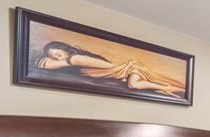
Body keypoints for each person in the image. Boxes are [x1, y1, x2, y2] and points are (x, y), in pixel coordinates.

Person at [37, 41, 186, 97]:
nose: (58, 58)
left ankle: (169, 88)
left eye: (57, 54)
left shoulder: (74, 59)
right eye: (54, 57)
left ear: (64, 49)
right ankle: (168, 88)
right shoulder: (76, 62)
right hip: (126, 71)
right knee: (134, 84)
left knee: (133, 84)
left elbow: (47, 65)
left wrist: (49, 60)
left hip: (129, 68)